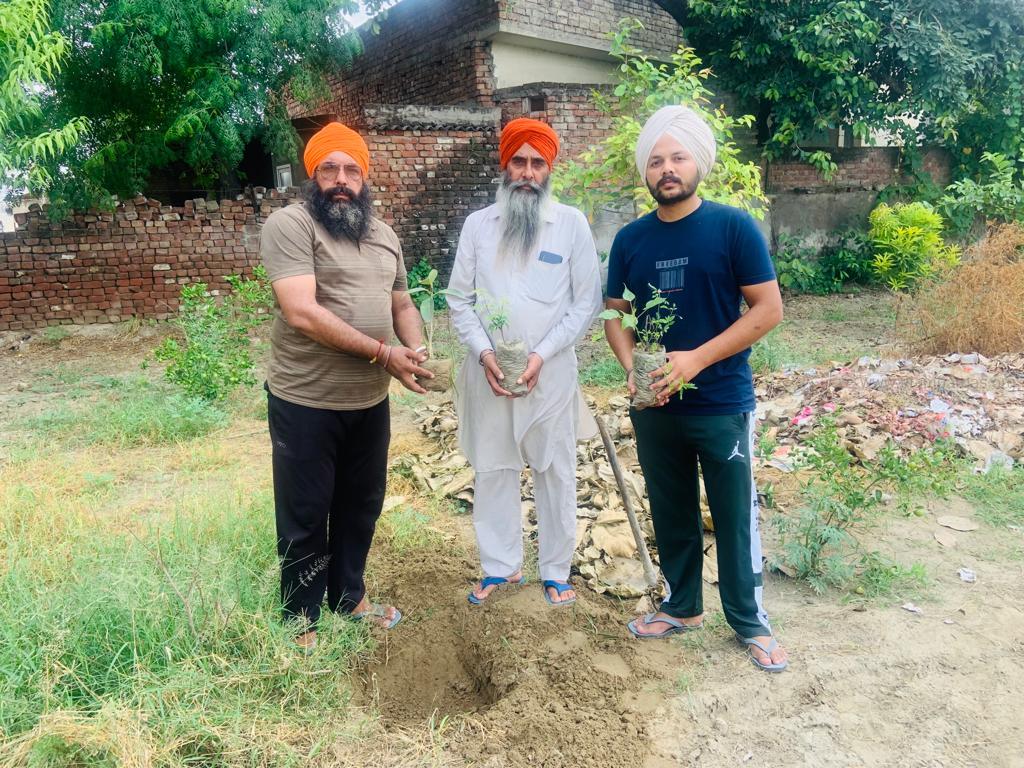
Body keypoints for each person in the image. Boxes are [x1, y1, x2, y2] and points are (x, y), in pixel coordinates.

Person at [603, 106, 789, 672]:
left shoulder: (733, 228)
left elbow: (768, 310)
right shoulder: (630, 239)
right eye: (656, 160)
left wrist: (696, 360)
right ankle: (682, 606)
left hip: (721, 401)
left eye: (678, 157)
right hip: (655, 404)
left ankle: (749, 621)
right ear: (645, 171)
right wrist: (633, 367)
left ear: (697, 164)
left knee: (733, 514)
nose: (667, 169)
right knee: (671, 507)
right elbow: (615, 314)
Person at [260, 121, 431, 650]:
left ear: (364, 177)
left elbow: (402, 304)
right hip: (306, 399)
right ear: (313, 174)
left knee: (361, 505)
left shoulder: (383, 235)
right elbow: (301, 311)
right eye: (329, 168)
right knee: (306, 511)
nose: (341, 179)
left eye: (352, 169)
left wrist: (417, 351)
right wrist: (385, 354)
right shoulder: (292, 225)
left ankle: (348, 597)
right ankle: (300, 618)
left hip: (369, 400)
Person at [447, 118, 602, 607]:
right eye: (519, 161)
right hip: (490, 374)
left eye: (537, 163)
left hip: (550, 375)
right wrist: (485, 353)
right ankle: (500, 567)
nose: (528, 173)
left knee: (555, 469)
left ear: (549, 169)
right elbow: (459, 301)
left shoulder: (571, 224)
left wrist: (540, 354)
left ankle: (556, 570)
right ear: (505, 166)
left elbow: (585, 302)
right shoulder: (478, 226)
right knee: (493, 467)